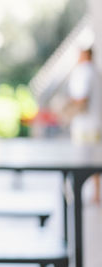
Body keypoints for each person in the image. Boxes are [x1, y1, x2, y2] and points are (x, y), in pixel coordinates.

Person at [65, 47, 102, 204]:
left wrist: (67, 109)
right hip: (95, 124)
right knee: (94, 163)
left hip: (84, 127)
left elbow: (82, 99)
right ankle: (96, 194)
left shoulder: (84, 72)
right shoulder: (96, 72)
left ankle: (76, 194)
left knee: (80, 163)